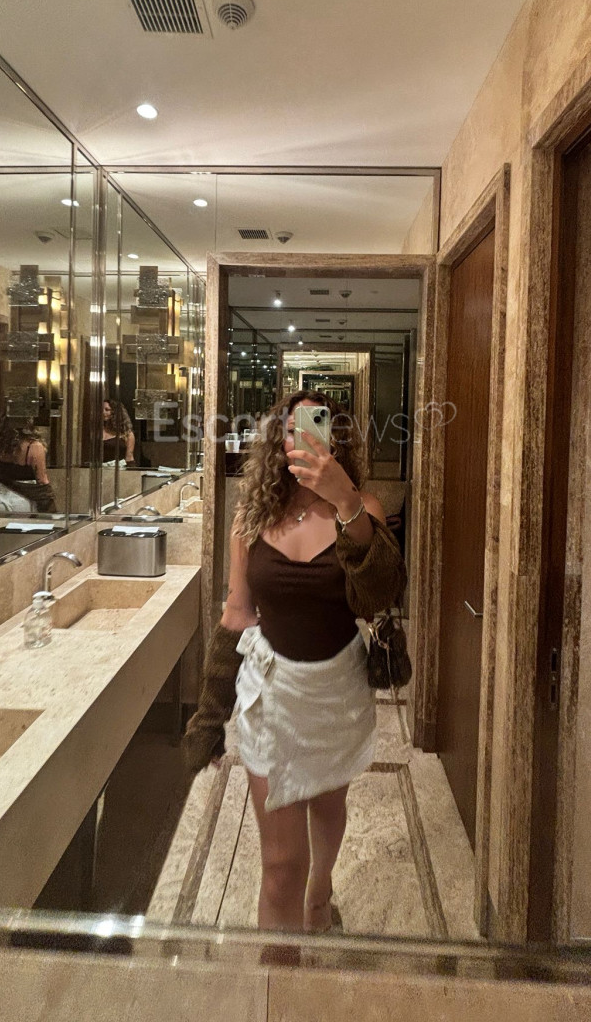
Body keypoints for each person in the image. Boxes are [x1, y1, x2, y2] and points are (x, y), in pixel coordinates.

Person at [183, 390, 406, 933]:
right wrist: (209, 715)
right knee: (281, 867)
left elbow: (378, 596)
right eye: (290, 428)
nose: (301, 437)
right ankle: (279, 970)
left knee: (327, 806)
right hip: (271, 696)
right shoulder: (252, 517)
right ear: (276, 441)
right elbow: (237, 614)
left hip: (336, 693)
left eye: (316, 424)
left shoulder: (363, 509)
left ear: (336, 437)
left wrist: (345, 500)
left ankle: (320, 892)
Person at [0, 413, 56, 513]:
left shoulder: (1, 446)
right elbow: (42, 480)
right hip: (22, 500)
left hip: (0, 497)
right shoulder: (34, 446)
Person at [102, 398, 135, 466]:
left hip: (118, 468)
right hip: (99, 469)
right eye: (101, 409)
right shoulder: (97, 430)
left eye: (107, 410)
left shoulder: (127, 433)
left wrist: (131, 471)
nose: (103, 412)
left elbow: (129, 457)